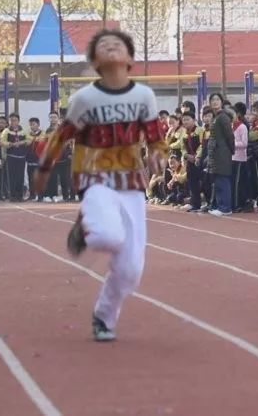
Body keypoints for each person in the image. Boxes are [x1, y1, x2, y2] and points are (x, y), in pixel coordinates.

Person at [34, 29, 170, 342]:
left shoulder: (143, 97)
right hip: (94, 178)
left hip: (131, 184)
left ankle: (104, 316)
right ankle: (87, 225)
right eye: (103, 45)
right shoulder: (84, 99)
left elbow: (155, 139)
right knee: (108, 235)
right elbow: (62, 136)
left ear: (130, 59)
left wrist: (157, 156)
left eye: (118, 44)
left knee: (131, 269)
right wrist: (44, 168)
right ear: (95, 61)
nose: (110, 46)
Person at [207, 94, 235, 217]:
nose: (215, 102)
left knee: (223, 180)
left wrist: (231, 150)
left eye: (217, 99)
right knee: (218, 180)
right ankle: (220, 205)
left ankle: (225, 207)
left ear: (222, 102)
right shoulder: (215, 117)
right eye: (212, 100)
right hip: (216, 153)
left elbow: (229, 135)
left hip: (222, 153)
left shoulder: (223, 117)